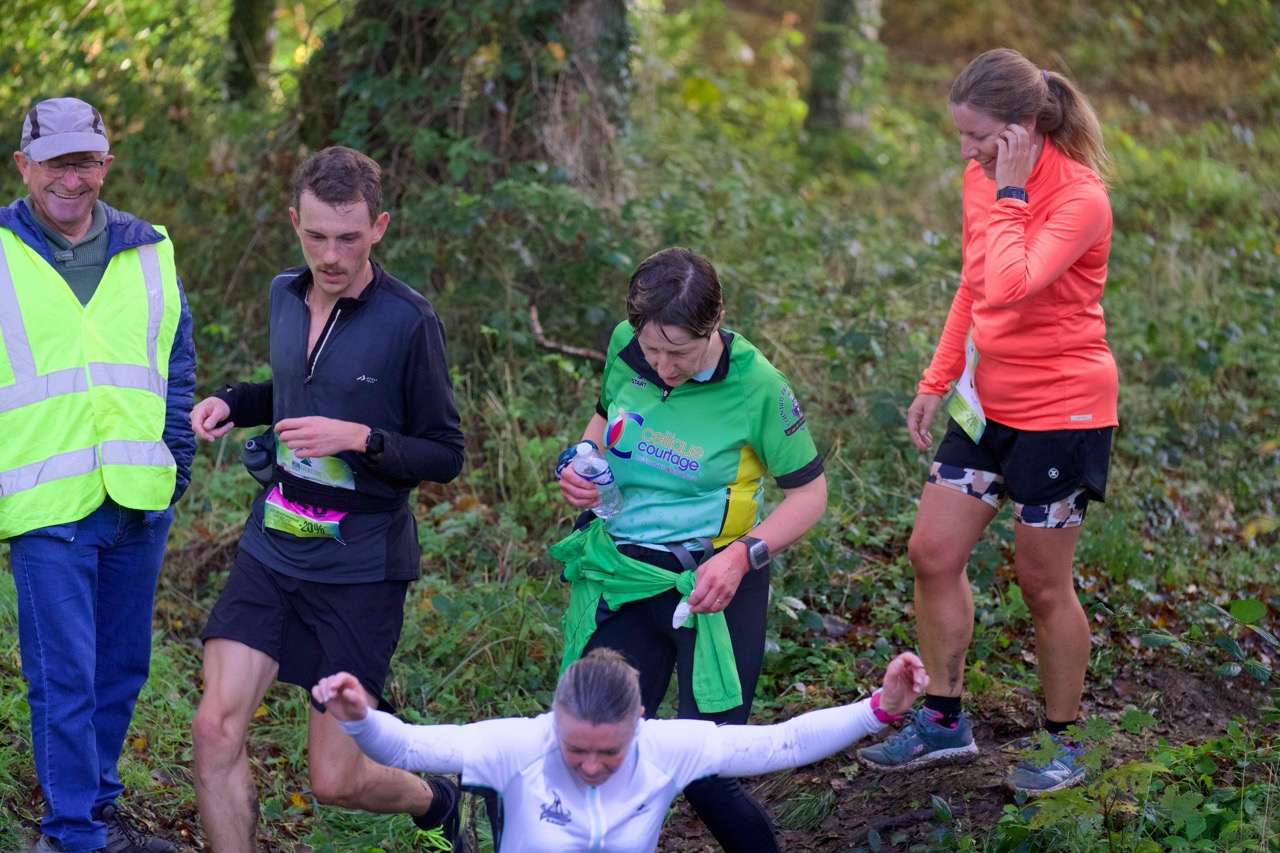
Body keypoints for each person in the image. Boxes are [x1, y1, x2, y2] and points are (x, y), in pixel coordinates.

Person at [187, 146, 466, 851]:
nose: (331, 256)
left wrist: (361, 439)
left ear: (380, 227)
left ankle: (437, 797)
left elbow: (445, 453)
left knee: (336, 779)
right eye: (316, 235)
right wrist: (232, 401)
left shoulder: (409, 320)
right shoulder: (284, 293)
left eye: (348, 237)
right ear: (294, 222)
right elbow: (291, 389)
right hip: (272, 547)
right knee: (214, 728)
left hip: (360, 567)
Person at [857, 48, 1117, 796]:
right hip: (987, 404)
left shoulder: (1080, 198)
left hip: (1062, 412)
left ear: (1023, 128)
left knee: (1042, 583)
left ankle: (1066, 739)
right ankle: (943, 720)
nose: (966, 152)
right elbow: (974, 286)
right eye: (962, 136)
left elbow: (1010, 283)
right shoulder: (982, 178)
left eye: (979, 137)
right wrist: (936, 379)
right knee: (931, 552)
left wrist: (1010, 191)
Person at [551, 247, 828, 852]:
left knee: (706, 773)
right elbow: (603, 419)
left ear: (717, 320)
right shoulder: (626, 345)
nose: (663, 366)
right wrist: (583, 460)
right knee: (598, 747)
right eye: (652, 349)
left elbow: (810, 496)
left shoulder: (758, 387)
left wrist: (742, 555)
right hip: (626, 575)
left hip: (713, 587)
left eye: (679, 351)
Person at [1, 97, 195, 853]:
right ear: (24, 165)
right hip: (45, 503)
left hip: (138, 499)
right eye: (55, 162)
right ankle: (71, 835)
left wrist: (175, 458)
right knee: (65, 678)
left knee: (120, 670)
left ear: (106, 164)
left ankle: (99, 812)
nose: (70, 178)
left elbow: (175, 361)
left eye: (84, 161)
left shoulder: (150, 249)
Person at [314, 648, 928, 852]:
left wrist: (879, 708)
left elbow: (783, 741)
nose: (589, 765)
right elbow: (411, 745)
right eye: (575, 748)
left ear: (639, 720)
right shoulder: (519, 744)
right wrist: (359, 718)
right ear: (555, 718)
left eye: (608, 752)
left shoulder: (669, 748)